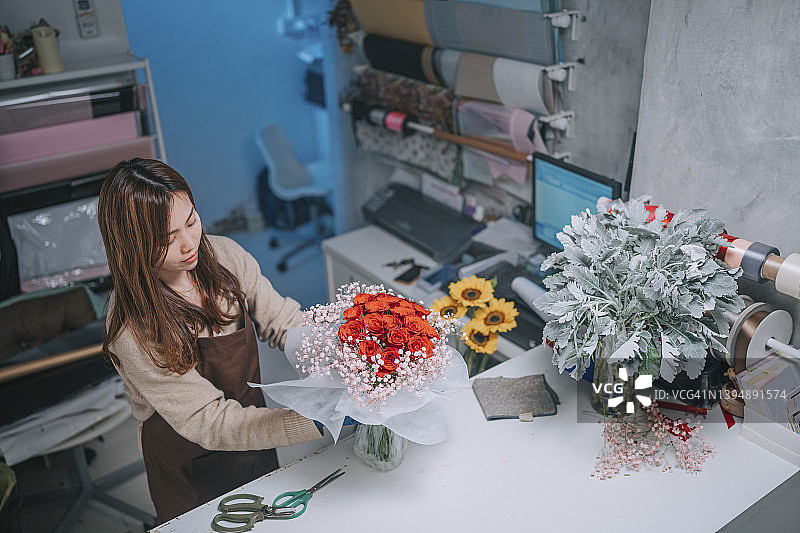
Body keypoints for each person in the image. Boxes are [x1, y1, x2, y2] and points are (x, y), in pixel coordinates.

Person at [97, 158, 323, 524]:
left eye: (191, 220)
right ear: (133, 244)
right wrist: (316, 421)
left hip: (253, 429)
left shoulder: (226, 257)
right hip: (188, 457)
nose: (190, 243)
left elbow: (283, 321)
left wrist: (343, 362)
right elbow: (210, 421)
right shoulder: (133, 330)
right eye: (167, 238)